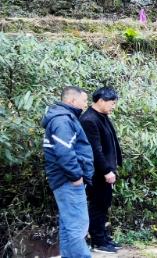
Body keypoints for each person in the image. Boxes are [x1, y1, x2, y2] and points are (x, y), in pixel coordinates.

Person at [41, 86, 95, 258]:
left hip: (65, 180)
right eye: (84, 100)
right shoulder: (62, 120)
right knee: (77, 225)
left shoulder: (64, 118)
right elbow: (64, 152)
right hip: (68, 181)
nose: (86, 104)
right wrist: (76, 176)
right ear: (72, 100)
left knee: (68, 224)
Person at [80, 86, 123, 254]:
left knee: (104, 204)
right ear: (101, 101)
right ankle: (97, 241)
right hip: (98, 172)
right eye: (112, 103)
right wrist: (106, 171)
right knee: (98, 205)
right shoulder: (89, 120)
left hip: (105, 170)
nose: (114, 106)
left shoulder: (102, 116)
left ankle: (103, 237)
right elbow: (95, 150)